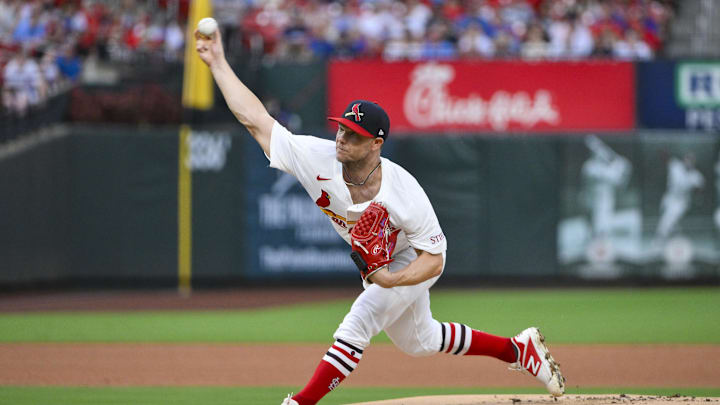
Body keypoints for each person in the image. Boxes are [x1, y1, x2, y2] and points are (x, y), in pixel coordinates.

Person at [194, 27, 565, 405]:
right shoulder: (316, 158)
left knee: (361, 319)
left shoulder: (405, 193)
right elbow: (255, 119)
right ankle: (518, 350)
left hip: (411, 257)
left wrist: (392, 280)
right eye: (341, 128)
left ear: (376, 143)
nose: (341, 138)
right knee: (420, 342)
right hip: (387, 264)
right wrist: (219, 64)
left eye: (354, 134)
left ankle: (300, 402)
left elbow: (434, 259)